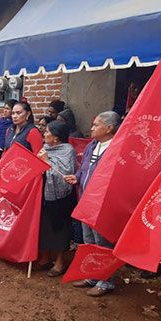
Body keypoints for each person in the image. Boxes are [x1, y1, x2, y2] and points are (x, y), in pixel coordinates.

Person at [64, 111, 122, 297]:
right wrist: (77, 177)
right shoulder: (92, 145)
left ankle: (106, 281)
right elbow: (84, 168)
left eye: (96, 125)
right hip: (86, 200)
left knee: (102, 243)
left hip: (103, 204)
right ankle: (92, 276)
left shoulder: (117, 148)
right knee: (88, 240)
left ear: (109, 128)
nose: (91, 128)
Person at [36, 121, 76, 277]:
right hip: (44, 194)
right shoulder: (45, 148)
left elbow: (64, 176)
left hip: (61, 198)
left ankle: (59, 262)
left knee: (59, 228)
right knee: (44, 225)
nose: (44, 134)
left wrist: (46, 162)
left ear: (57, 137)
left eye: (47, 132)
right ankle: (45, 257)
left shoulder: (68, 151)